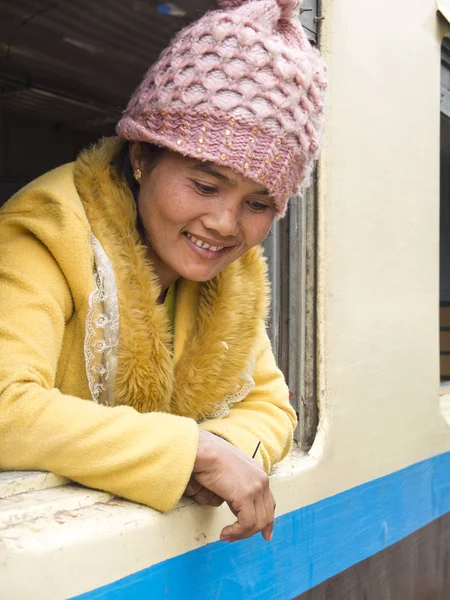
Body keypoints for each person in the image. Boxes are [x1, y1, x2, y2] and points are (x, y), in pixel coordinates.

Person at [0, 0, 326, 543]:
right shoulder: (44, 233)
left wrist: (229, 449)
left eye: (260, 204)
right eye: (205, 184)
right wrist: (193, 451)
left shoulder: (235, 279)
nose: (225, 225)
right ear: (141, 157)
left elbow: (269, 404)